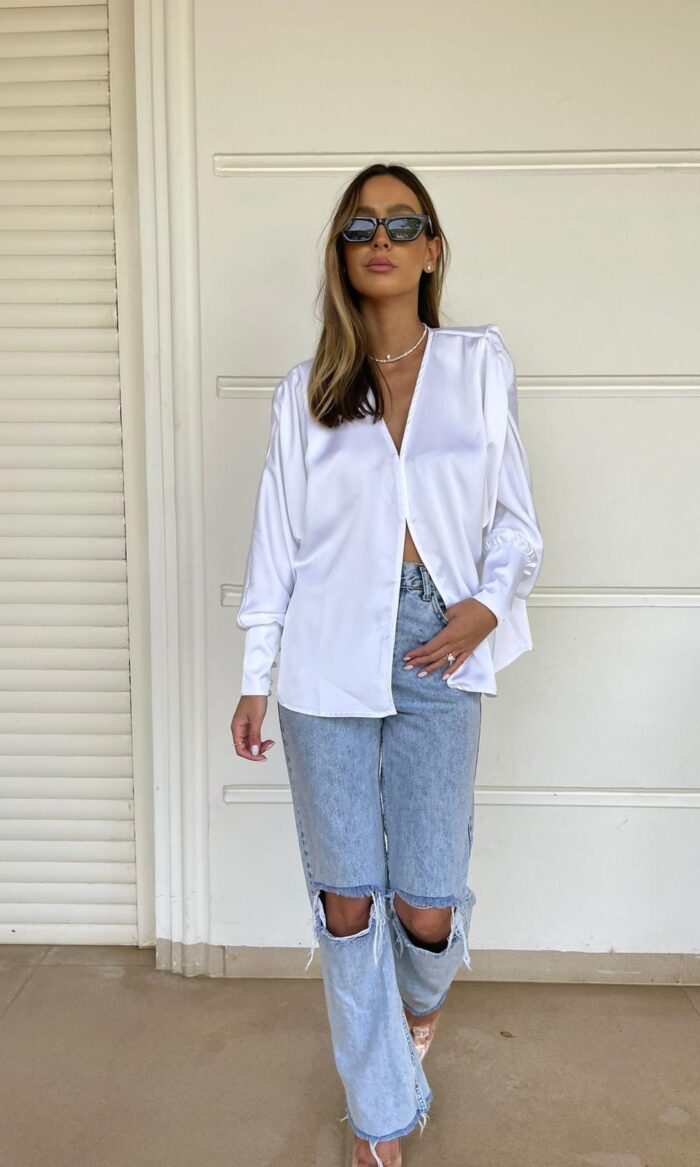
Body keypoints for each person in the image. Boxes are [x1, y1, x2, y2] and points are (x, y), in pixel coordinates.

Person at [231, 162, 544, 1167]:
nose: (382, 239)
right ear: (341, 250)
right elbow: (276, 546)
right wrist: (254, 672)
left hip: (439, 644)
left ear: (431, 249)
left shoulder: (476, 366)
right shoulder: (306, 393)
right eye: (362, 225)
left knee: (426, 901)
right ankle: (380, 1114)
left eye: (402, 224)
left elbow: (516, 524)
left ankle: (410, 1018)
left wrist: (484, 608)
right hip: (324, 650)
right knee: (347, 899)